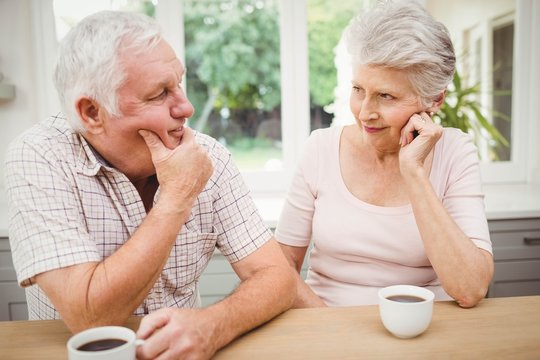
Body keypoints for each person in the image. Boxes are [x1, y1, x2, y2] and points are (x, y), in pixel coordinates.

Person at [5, 10, 295, 359]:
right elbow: (91, 318)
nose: (186, 106)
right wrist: (176, 196)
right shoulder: (39, 157)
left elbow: (277, 276)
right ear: (92, 113)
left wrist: (213, 325)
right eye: (159, 94)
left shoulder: (208, 156)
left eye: (179, 84)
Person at [275, 0, 493, 309]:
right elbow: (280, 267)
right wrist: (332, 326)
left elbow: (470, 288)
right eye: (358, 89)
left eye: (385, 96)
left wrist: (414, 173)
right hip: (327, 325)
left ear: (435, 100)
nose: (365, 113)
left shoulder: (455, 152)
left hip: (424, 328)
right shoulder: (320, 148)